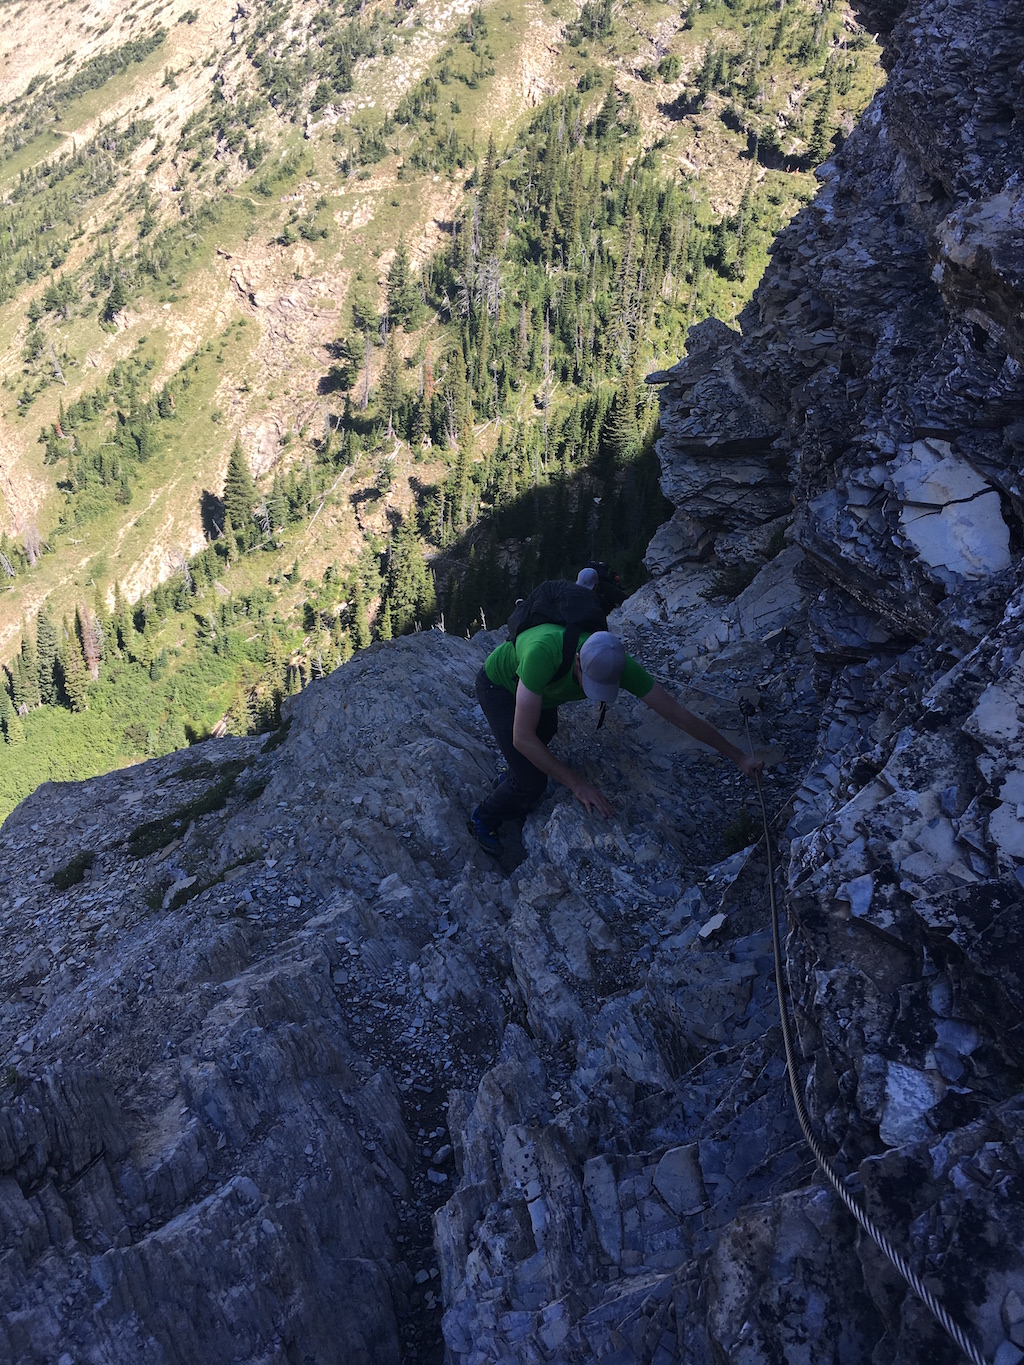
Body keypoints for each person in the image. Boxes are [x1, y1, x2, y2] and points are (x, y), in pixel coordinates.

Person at [470, 623, 763, 855]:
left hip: (539, 695)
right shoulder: (542, 654)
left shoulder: (614, 662)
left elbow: (677, 714)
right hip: (499, 685)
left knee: (539, 745)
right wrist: (577, 783)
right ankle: (483, 818)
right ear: (576, 662)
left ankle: (512, 780)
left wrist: (739, 756)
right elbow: (522, 738)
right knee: (532, 780)